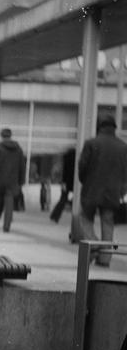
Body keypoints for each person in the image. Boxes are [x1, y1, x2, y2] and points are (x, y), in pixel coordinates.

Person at [77, 113, 127, 267]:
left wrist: (84, 181)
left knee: (84, 218)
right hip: (112, 192)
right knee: (108, 223)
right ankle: (105, 259)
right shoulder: (123, 146)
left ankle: (95, 244)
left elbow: (82, 167)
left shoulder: (91, 143)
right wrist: (122, 189)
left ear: (99, 126)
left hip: (91, 190)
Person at [0, 127, 26, 233]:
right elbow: (22, 166)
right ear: (10, 136)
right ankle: (6, 227)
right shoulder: (18, 149)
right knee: (9, 204)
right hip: (13, 181)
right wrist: (21, 181)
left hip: (0, 180)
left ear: (2, 136)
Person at [50, 147, 75, 223]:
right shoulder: (75, 160)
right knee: (75, 199)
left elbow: (64, 173)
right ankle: (55, 216)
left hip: (66, 183)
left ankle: (55, 215)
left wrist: (63, 182)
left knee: (63, 199)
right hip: (73, 183)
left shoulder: (66, 161)